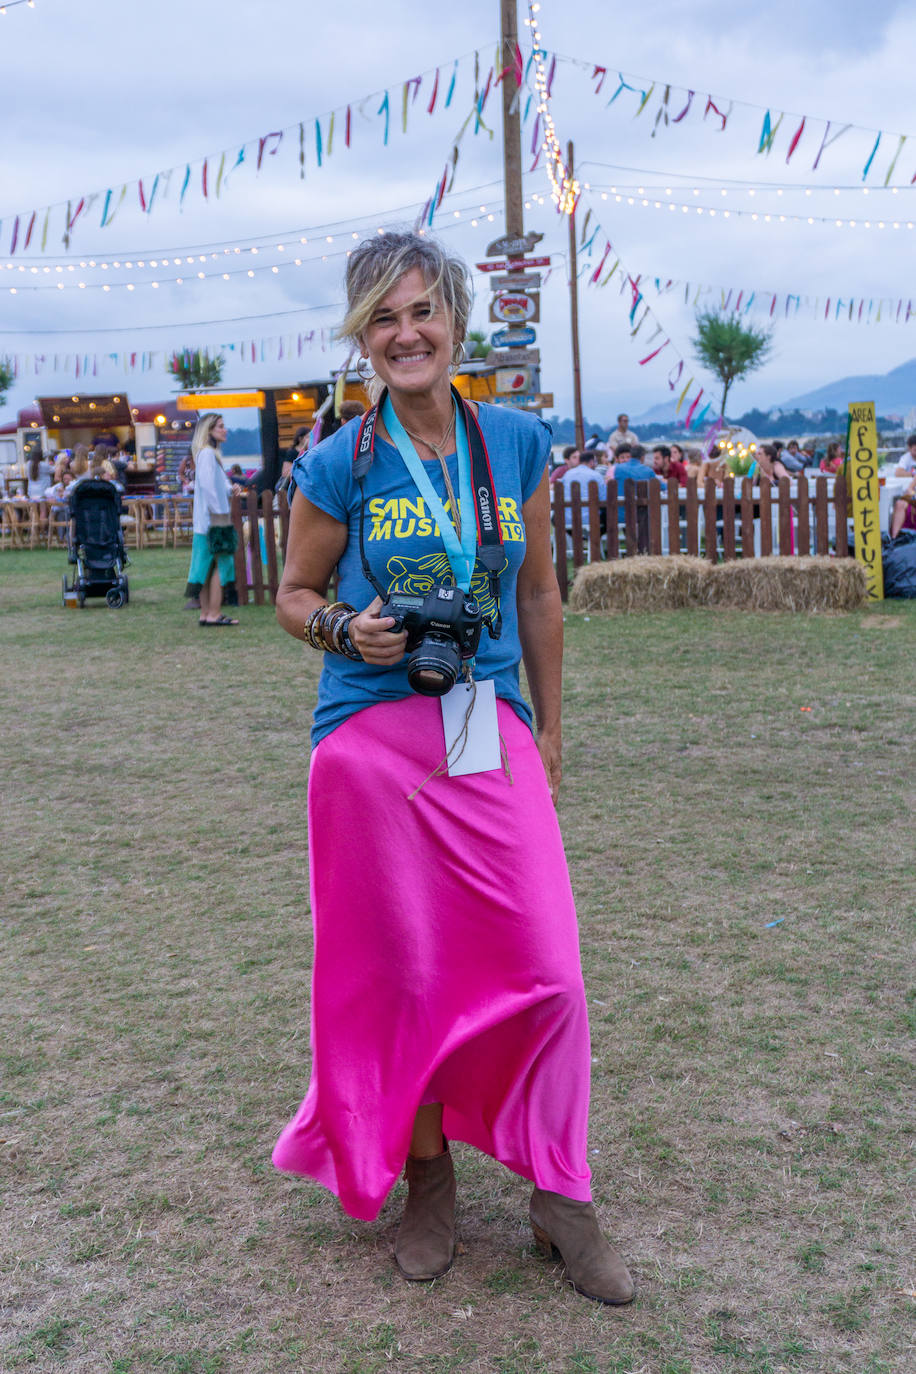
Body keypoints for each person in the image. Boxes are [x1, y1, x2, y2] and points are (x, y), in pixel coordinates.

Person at [272, 230, 634, 1307]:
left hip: (487, 725)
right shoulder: (341, 460)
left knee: (549, 972)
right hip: (368, 750)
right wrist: (346, 628)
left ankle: (558, 1196)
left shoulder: (514, 442)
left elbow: (538, 598)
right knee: (403, 977)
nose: (406, 333)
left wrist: (550, 732)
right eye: (383, 317)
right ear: (362, 336)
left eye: (422, 311)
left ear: (456, 323)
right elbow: (292, 593)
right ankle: (428, 1181)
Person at [183, 413, 241, 626]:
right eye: (220, 426)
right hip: (214, 520)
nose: (225, 430)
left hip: (205, 521)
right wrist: (219, 511)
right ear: (209, 431)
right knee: (219, 565)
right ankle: (214, 613)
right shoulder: (208, 454)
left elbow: (214, 481)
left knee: (205, 568)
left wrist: (229, 487)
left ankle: (207, 613)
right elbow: (208, 485)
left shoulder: (206, 455)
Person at [559, 448, 602, 533]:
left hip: (568, 519)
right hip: (592, 519)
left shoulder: (567, 474)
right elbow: (603, 499)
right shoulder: (596, 475)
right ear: (591, 462)